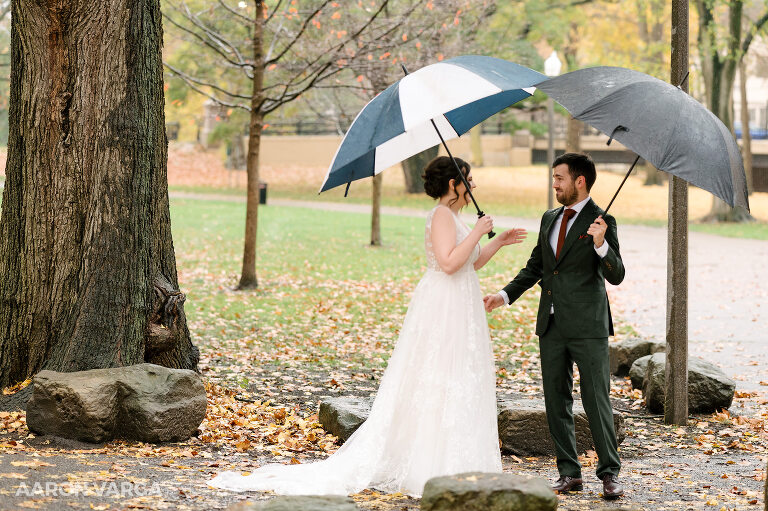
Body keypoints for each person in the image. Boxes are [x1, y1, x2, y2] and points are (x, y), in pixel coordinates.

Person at [207, 156, 527, 497]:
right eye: (469, 178)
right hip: (443, 305)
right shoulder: (441, 216)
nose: (473, 185)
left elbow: (470, 262)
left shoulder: (457, 218)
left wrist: (497, 240)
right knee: (438, 374)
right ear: (454, 184)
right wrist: (478, 231)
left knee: (459, 375)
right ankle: (429, 466)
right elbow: (449, 263)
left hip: (461, 303)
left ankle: (457, 460)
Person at [483, 152, 625, 500]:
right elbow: (537, 267)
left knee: (596, 400)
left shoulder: (604, 221)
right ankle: (569, 473)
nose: (554, 184)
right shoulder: (549, 218)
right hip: (551, 323)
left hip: (588, 326)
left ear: (580, 181)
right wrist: (504, 295)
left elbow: (617, 275)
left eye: (560, 178)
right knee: (555, 400)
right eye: (553, 177)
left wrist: (600, 243)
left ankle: (609, 474)